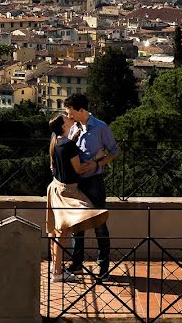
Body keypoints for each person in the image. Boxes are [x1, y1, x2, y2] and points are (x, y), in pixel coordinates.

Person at [46, 114, 109, 282]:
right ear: (64, 126)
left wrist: (73, 139)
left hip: (56, 188)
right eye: (65, 118)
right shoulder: (68, 146)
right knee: (64, 231)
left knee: (55, 231)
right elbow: (79, 169)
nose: (69, 117)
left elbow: (62, 159)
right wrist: (97, 159)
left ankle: (56, 266)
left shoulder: (56, 141)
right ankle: (58, 273)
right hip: (69, 192)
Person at [64, 93, 119, 281]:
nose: (68, 115)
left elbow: (114, 151)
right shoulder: (74, 128)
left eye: (70, 111)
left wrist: (97, 164)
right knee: (77, 224)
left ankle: (103, 268)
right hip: (76, 183)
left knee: (99, 225)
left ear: (81, 110)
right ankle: (76, 263)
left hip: (94, 182)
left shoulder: (101, 127)